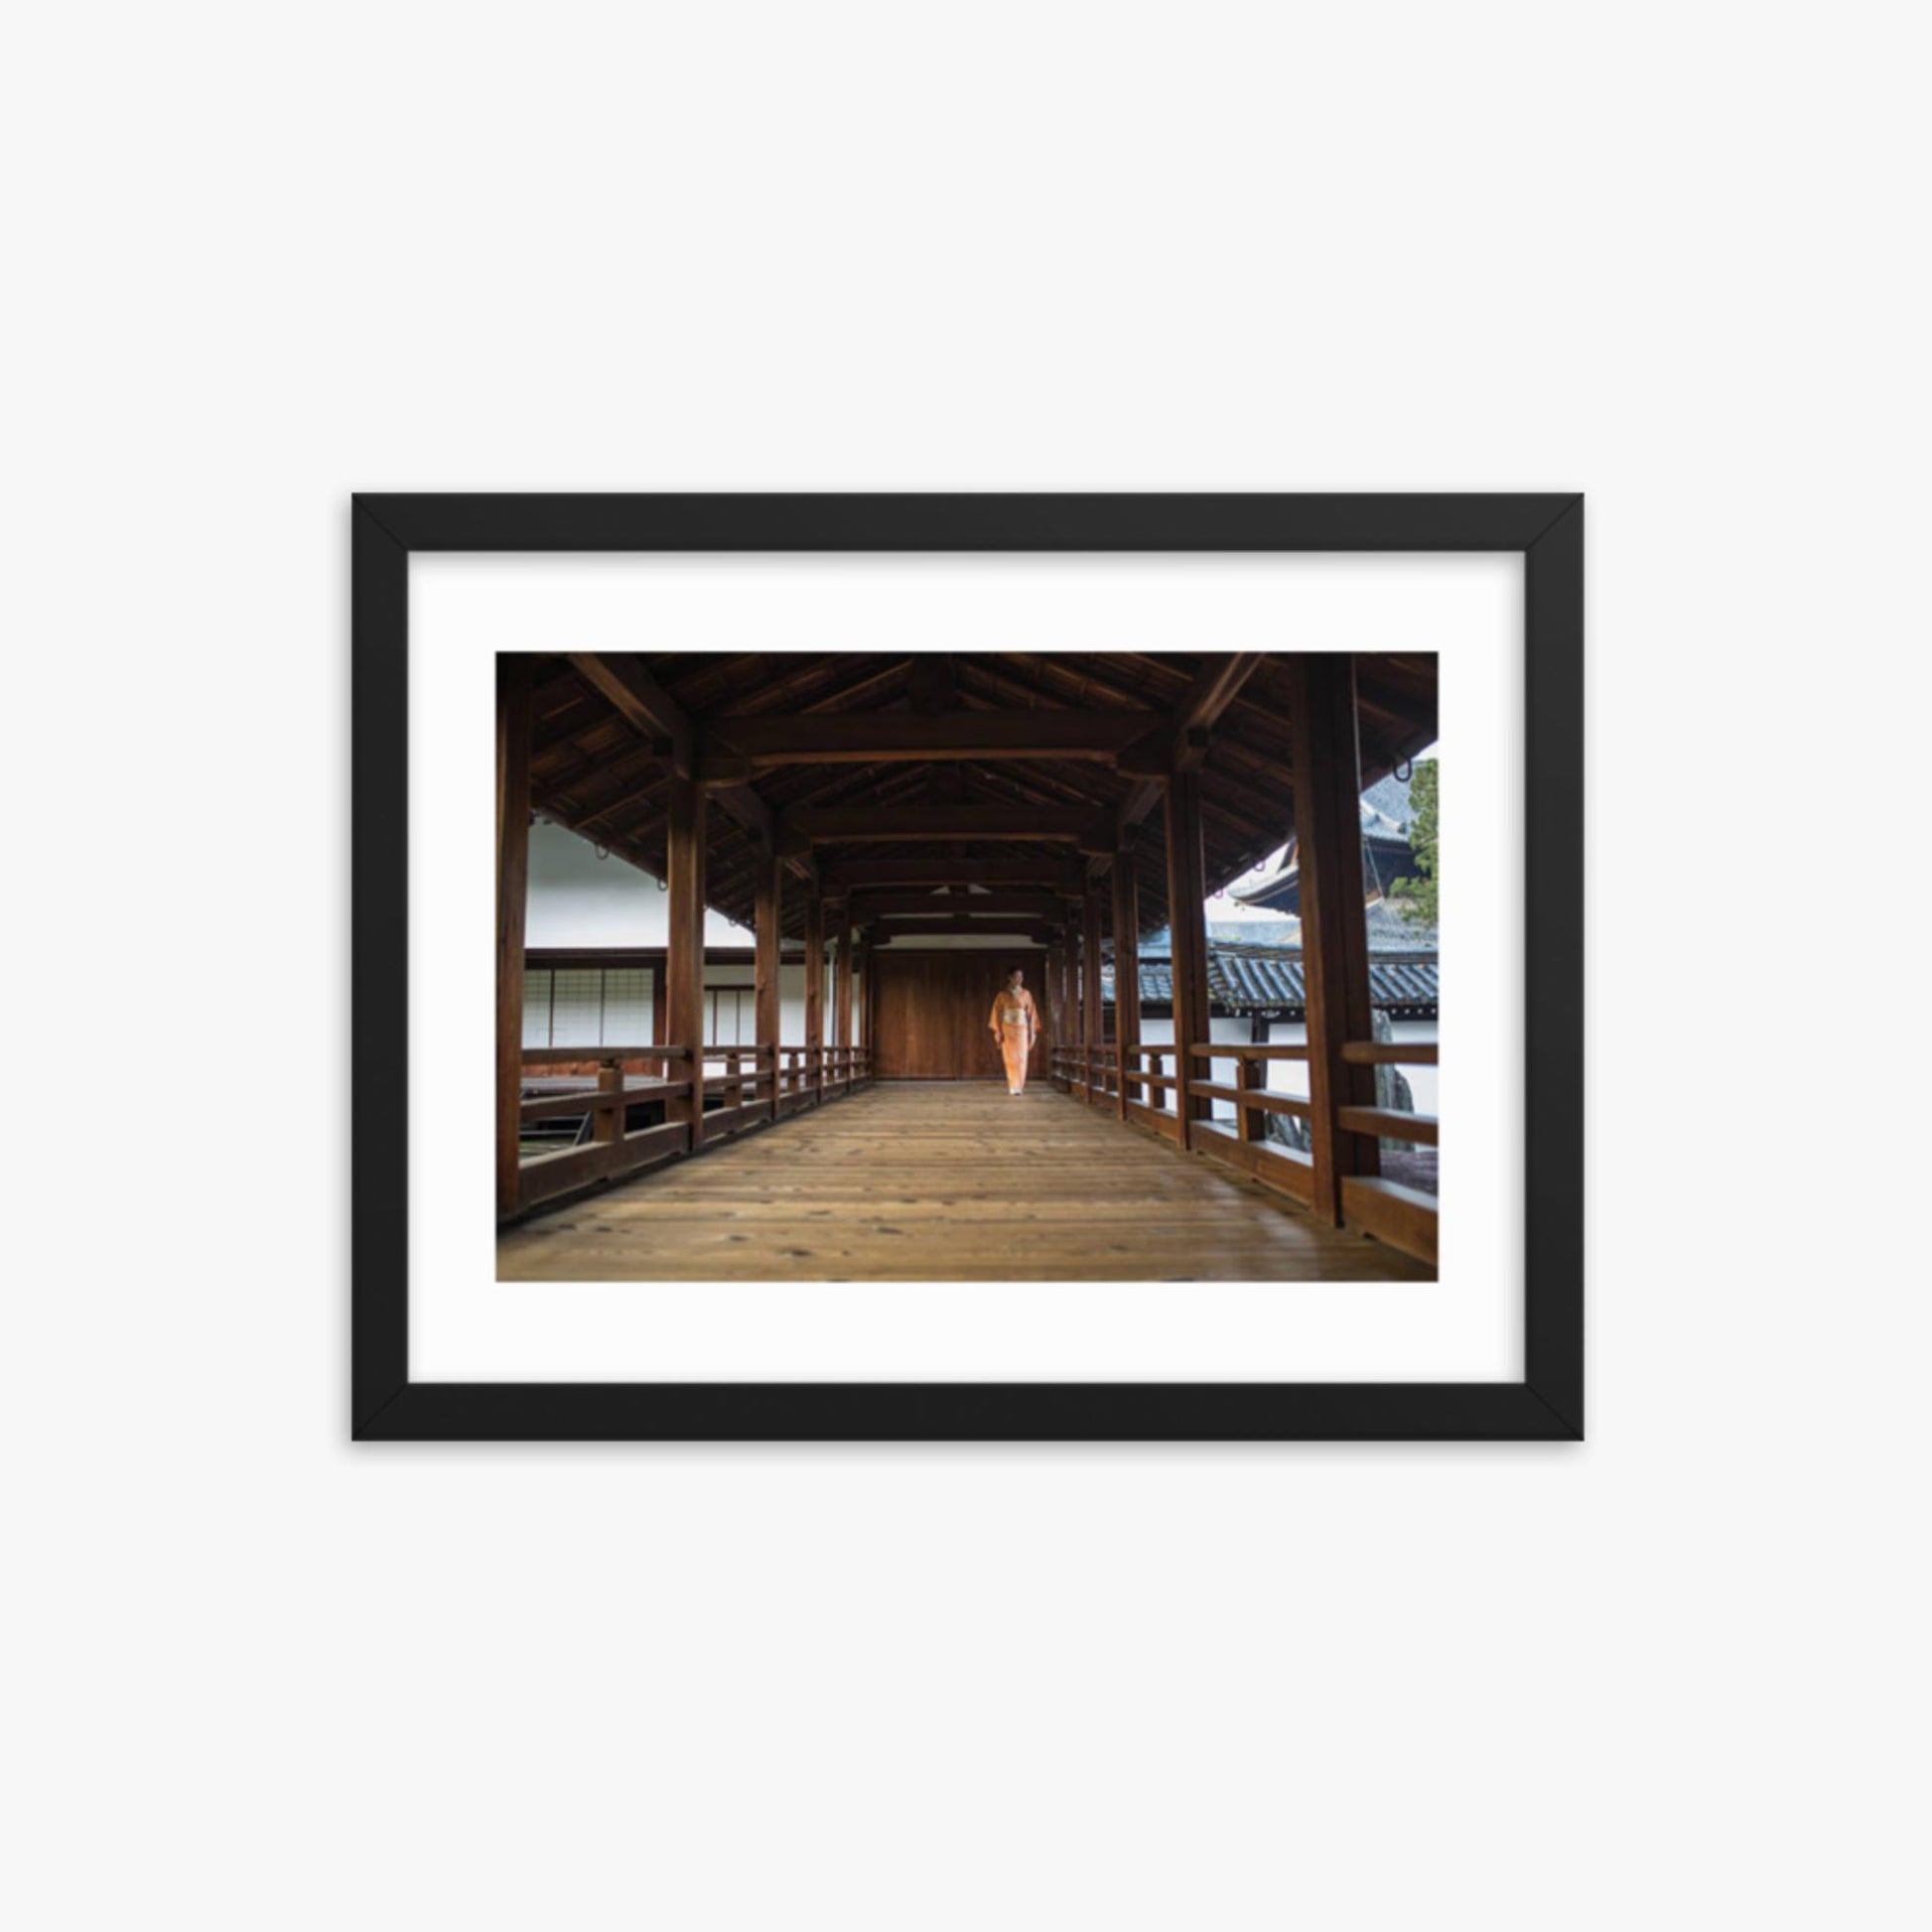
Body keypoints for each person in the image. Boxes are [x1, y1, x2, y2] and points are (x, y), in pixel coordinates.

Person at [988, 967, 1039, 1095]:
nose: (1019, 979)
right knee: (1010, 1058)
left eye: (1021, 977)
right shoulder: (1002, 995)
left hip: (1022, 1029)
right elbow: (996, 1013)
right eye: (1016, 976)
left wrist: (1032, 1030)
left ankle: (1020, 1086)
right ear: (1009, 977)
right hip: (1007, 1028)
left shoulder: (1026, 994)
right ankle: (1013, 1086)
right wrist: (998, 1030)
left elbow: (1032, 1013)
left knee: (1022, 1057)